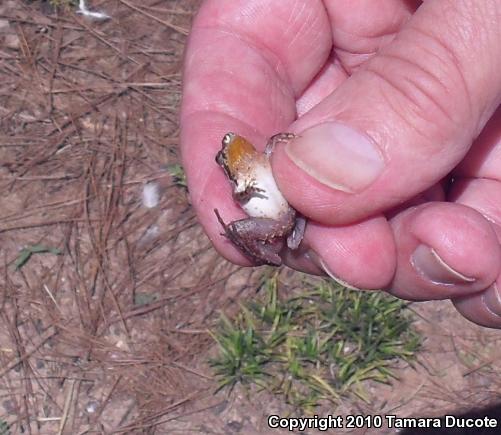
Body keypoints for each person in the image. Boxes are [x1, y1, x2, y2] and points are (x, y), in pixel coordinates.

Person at [180, 0, 501, 328]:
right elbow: (243, 196)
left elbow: (276, 148)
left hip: (297, 204)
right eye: (223, 153)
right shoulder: (239, 168)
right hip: (281, 219)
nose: (227, 144)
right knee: (238, 228)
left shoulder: (253, 151)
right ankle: (264, 254)